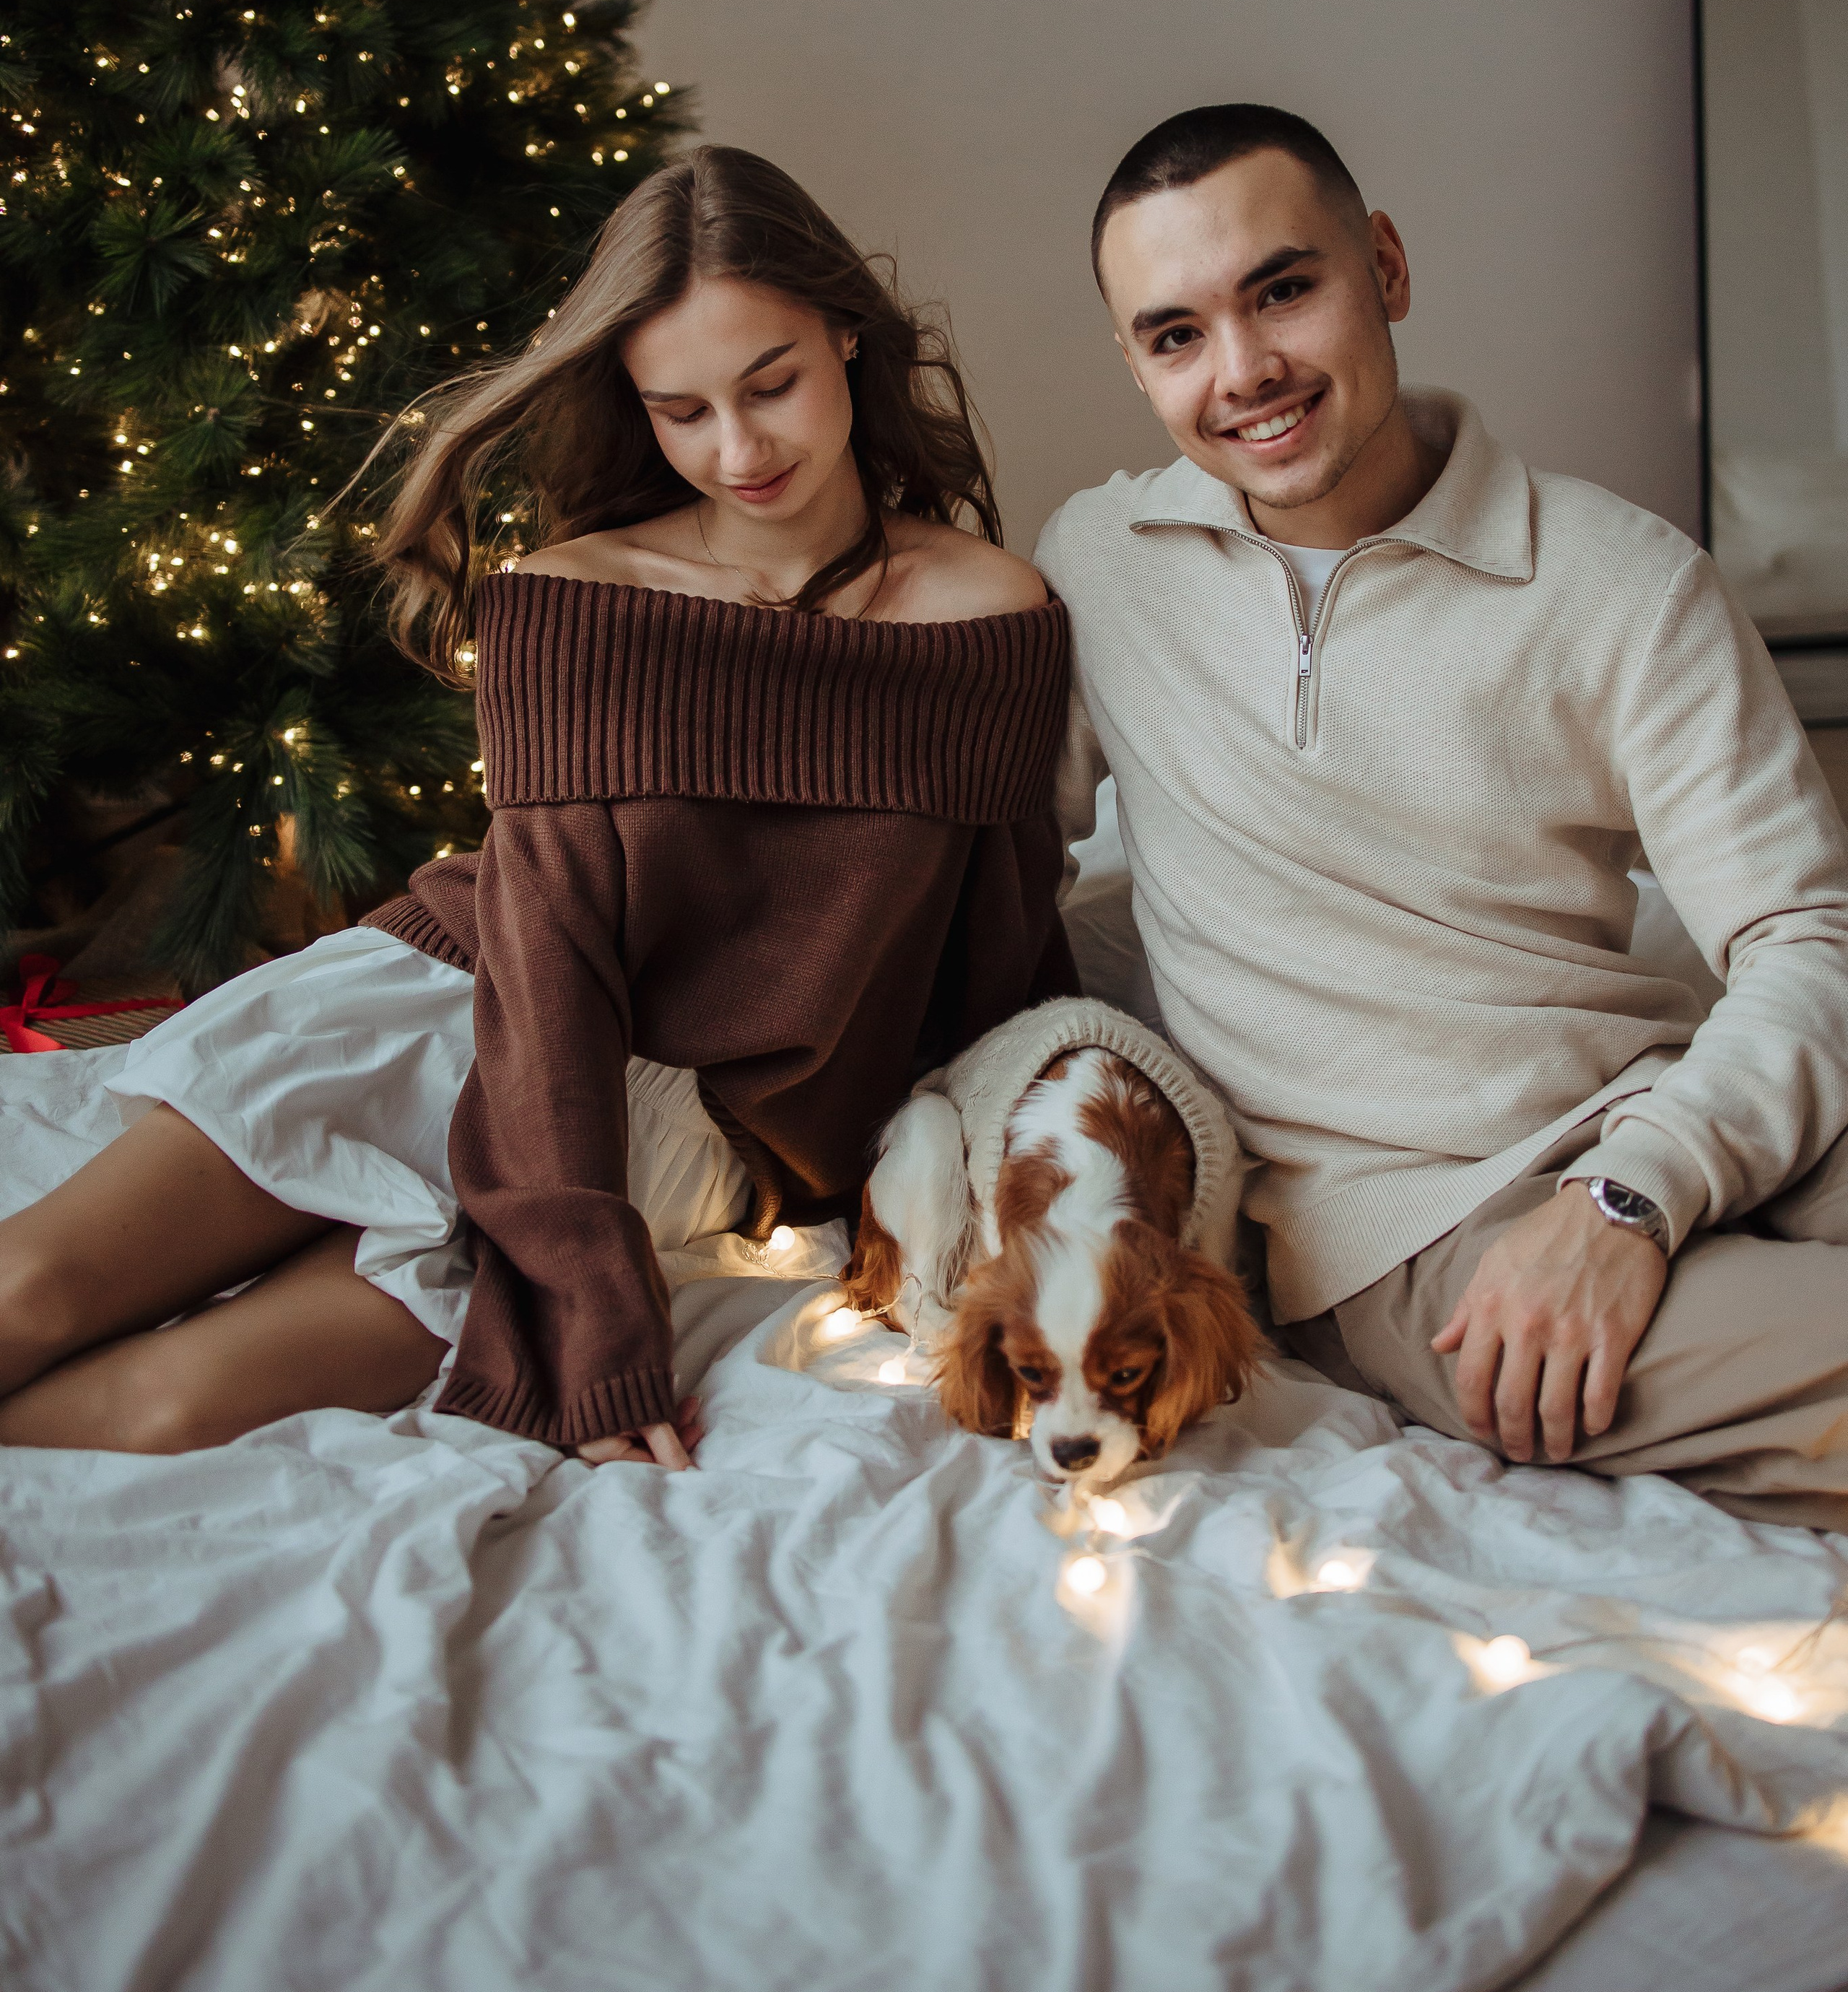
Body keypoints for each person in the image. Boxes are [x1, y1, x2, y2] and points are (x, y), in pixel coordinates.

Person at [0, 147, 1071, 1466]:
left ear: (847, 332)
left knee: (165, 1411)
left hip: (668, 1135)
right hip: (456, 1012)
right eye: (681, 410)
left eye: (771, 384)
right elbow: (547, 951)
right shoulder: (574, 598)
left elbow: (1001, 963)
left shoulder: (993, 617)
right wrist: (587, 1285)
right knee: (27, 1295)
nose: (737, 449)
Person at [1037, 102, 1848, 1531]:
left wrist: (1625, 1194)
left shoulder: (1620, 584)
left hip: (1647, 1121)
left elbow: (1806, 939)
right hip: (1413, 1231)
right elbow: (979, 860)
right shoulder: (1095, 565)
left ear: (1385, 270)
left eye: (1281, 289)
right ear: (1133, 362)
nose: (1241, 373)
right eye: (1174, 336)